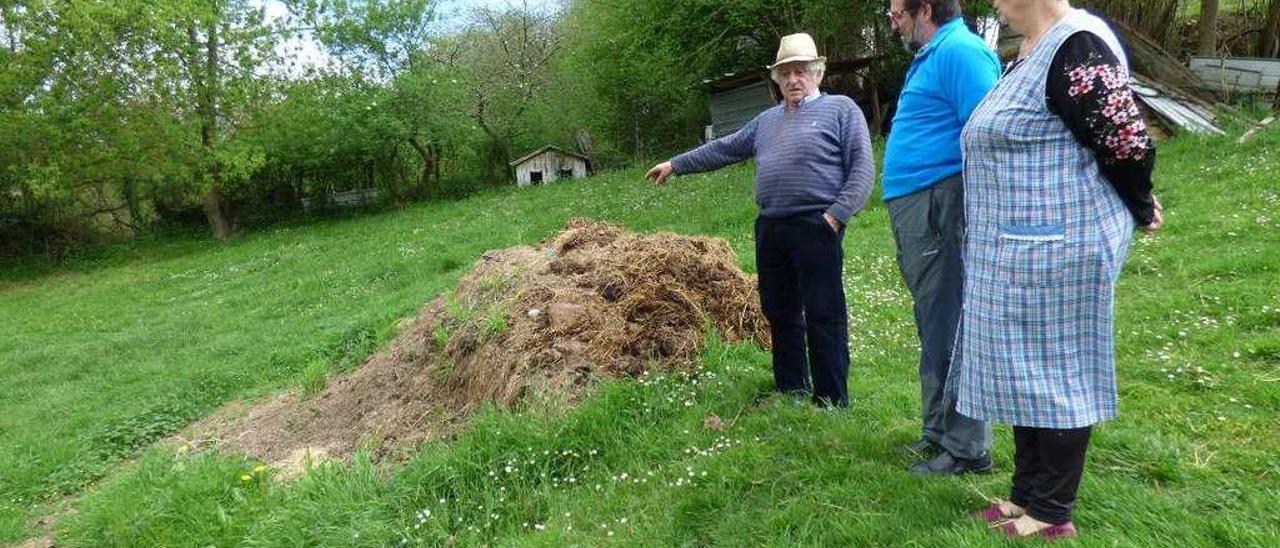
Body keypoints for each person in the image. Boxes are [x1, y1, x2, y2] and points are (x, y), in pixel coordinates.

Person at [956, 0, 1163, 540]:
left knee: (1058, 374)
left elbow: (1125, 140)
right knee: (1025, 371)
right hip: (1022, 246)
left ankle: (1051, 510)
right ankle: (1025, 495)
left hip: (1060, 246)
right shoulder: (1027, 53)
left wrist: (1140, 205)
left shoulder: (1077, 44)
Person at [646, 33, 875, 407]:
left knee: (823, 311)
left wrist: (837, 215)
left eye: (800, 71)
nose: (792, 80)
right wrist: (676, 164)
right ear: (777, 80)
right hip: (771, 228)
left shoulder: (841, 109)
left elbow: (862, 168)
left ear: (818, 73)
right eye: (785, 74)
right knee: (779, 310)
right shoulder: (766, 121)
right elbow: (725, 147)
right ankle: (791, 388)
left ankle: (831, 398)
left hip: (816, 225)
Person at [882, 0, 1000, 475]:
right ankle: (937, 434)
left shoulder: (962, 52)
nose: (891, 20)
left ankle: (969, 448)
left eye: (896, 11)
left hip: (940, 205)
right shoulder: (934, 54)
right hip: (920, 205)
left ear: (924, 8)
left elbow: (991, 134)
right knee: (933, 321)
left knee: (950, 322)